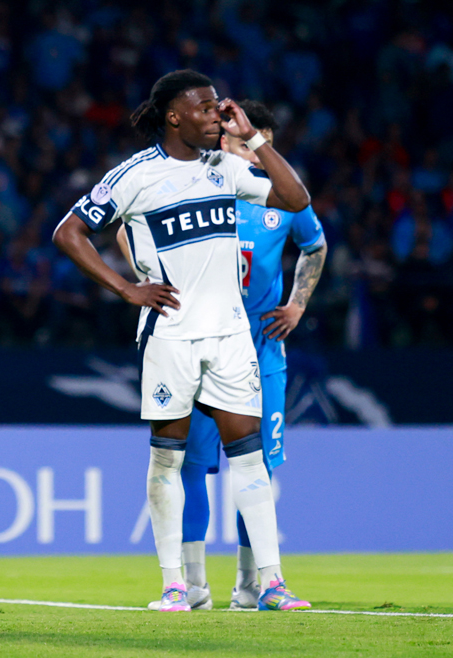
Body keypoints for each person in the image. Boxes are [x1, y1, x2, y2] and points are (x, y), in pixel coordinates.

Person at [52, 70, 312, 612]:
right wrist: (125, 287)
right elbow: (68, 232)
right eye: (206, 107)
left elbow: (294, 198)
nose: (218, 114)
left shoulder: (229, 166)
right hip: (171, 335)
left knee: (250, 458)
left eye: (220, 106)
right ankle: (175, 585)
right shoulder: (135, 176)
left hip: (231, 336)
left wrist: (257, 140)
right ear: (174, 116)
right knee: (168, 460)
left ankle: (272, 583)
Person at [119, 101, 326, 611]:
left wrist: (297, 303)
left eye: (261, 145)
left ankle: (254, 584)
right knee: (190, 463)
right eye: (240, 141)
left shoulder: (273, 200)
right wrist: (142, 276)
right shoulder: (202, 184)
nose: (253, 153)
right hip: (192, 338)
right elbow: (127, 221)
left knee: (257, 463)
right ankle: (190, 585)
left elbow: (315, 243)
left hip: (257, 345)